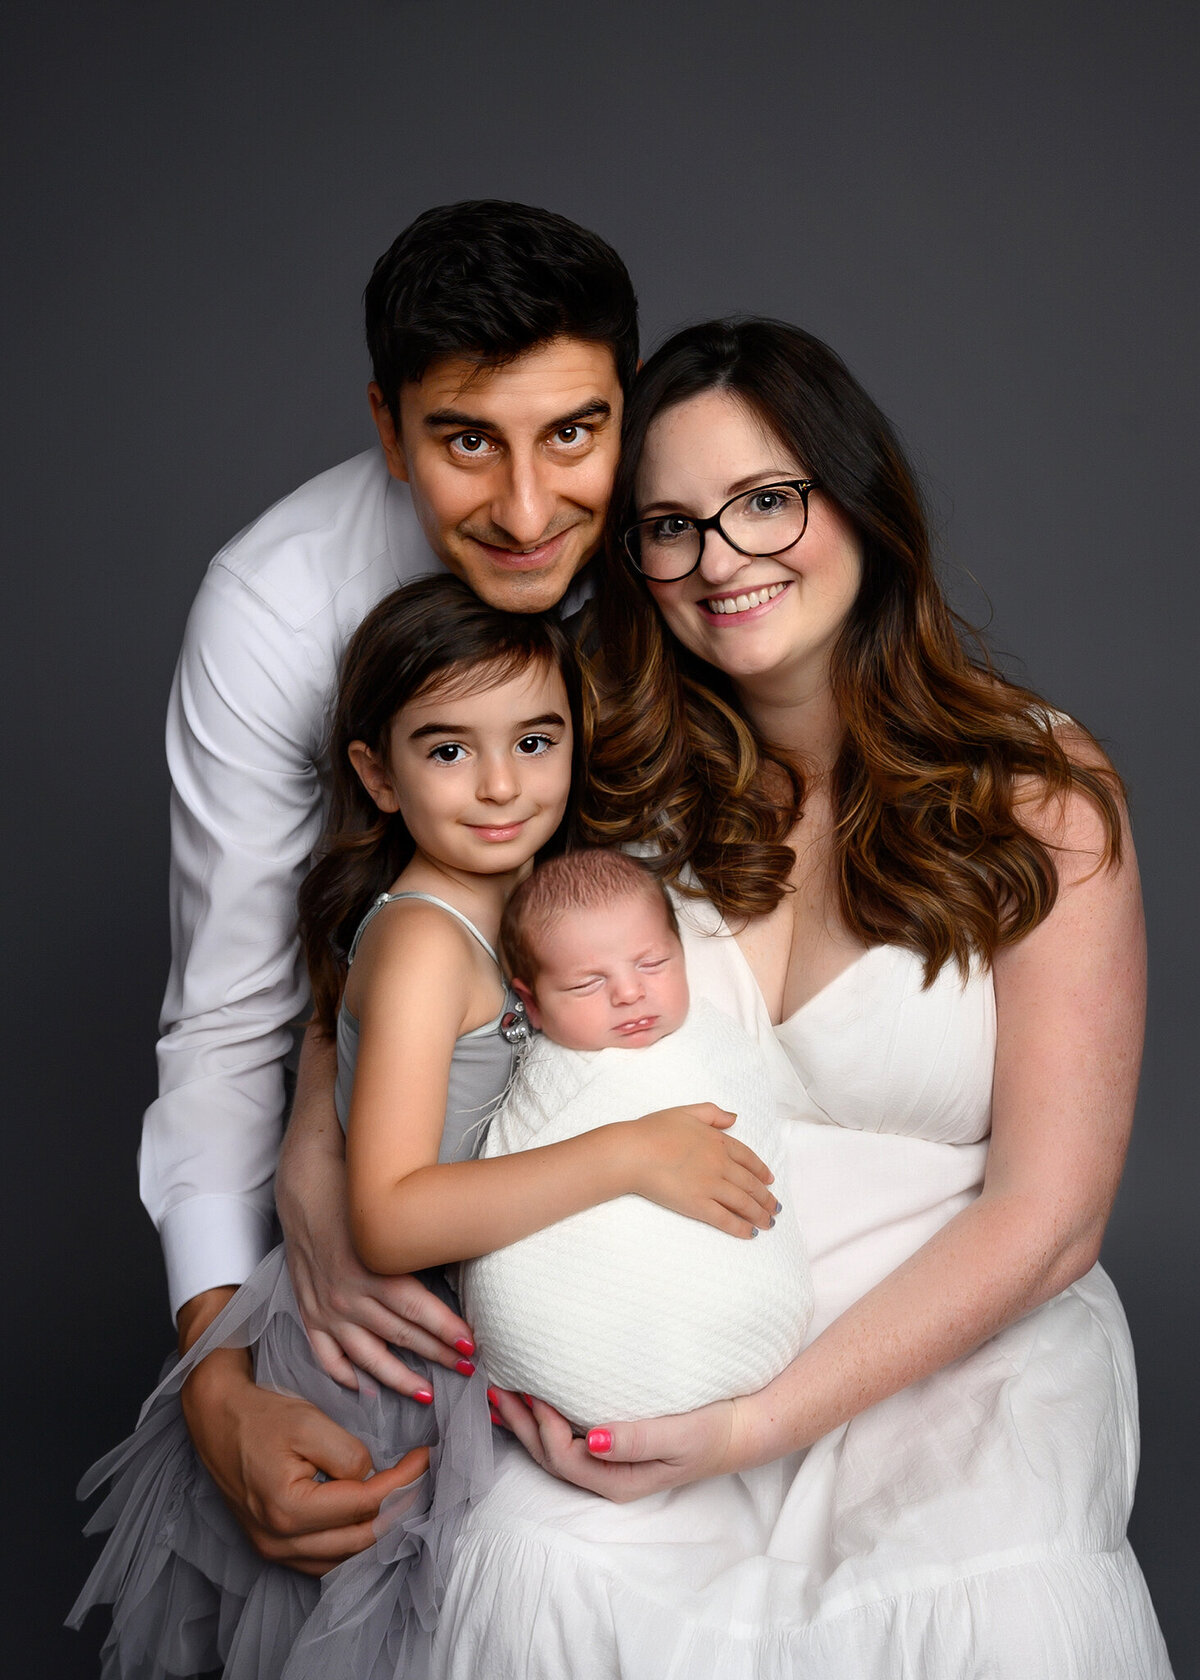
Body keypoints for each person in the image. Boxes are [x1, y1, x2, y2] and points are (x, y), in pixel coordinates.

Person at [428, 319, 1173, 1677]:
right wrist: (315, 1172)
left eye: (767, 501)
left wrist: (751, 1429)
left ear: (861, 502)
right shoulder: (601, 779)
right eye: (671, 526)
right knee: (532, 1557)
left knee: (978, 1600)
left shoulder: (1038, 793)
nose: (722, 562)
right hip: (657, 1337)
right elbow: (394, 944)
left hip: (957, 1360)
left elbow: (1052, 1218)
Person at [73, 575, 781, 1678]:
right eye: (448, 751)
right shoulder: (422, 947)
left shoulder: (523, 906)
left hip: (448, 1339)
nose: (502, 784)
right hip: (370, 1367)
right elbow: (393, 1217)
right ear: (377, 775)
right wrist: (630, 1155)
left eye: (535, 741)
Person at [138, 199, 638, 1569]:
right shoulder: (275, 609)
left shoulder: (697, 537)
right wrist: (217, 1384)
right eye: (467, 439)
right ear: (386, 423)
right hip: (436, 1254)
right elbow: (226, 1013)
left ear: (626, 407)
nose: (531, 512)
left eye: (575, 433)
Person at [463, 846, 813, 1427]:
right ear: (532, 1003)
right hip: (568, 1337)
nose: (628, 993)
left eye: (652, 964)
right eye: (585, 984)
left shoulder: (717, 1045)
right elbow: (506, 1175)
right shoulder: (543, 1072)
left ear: (681, 954)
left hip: (743, 1325)